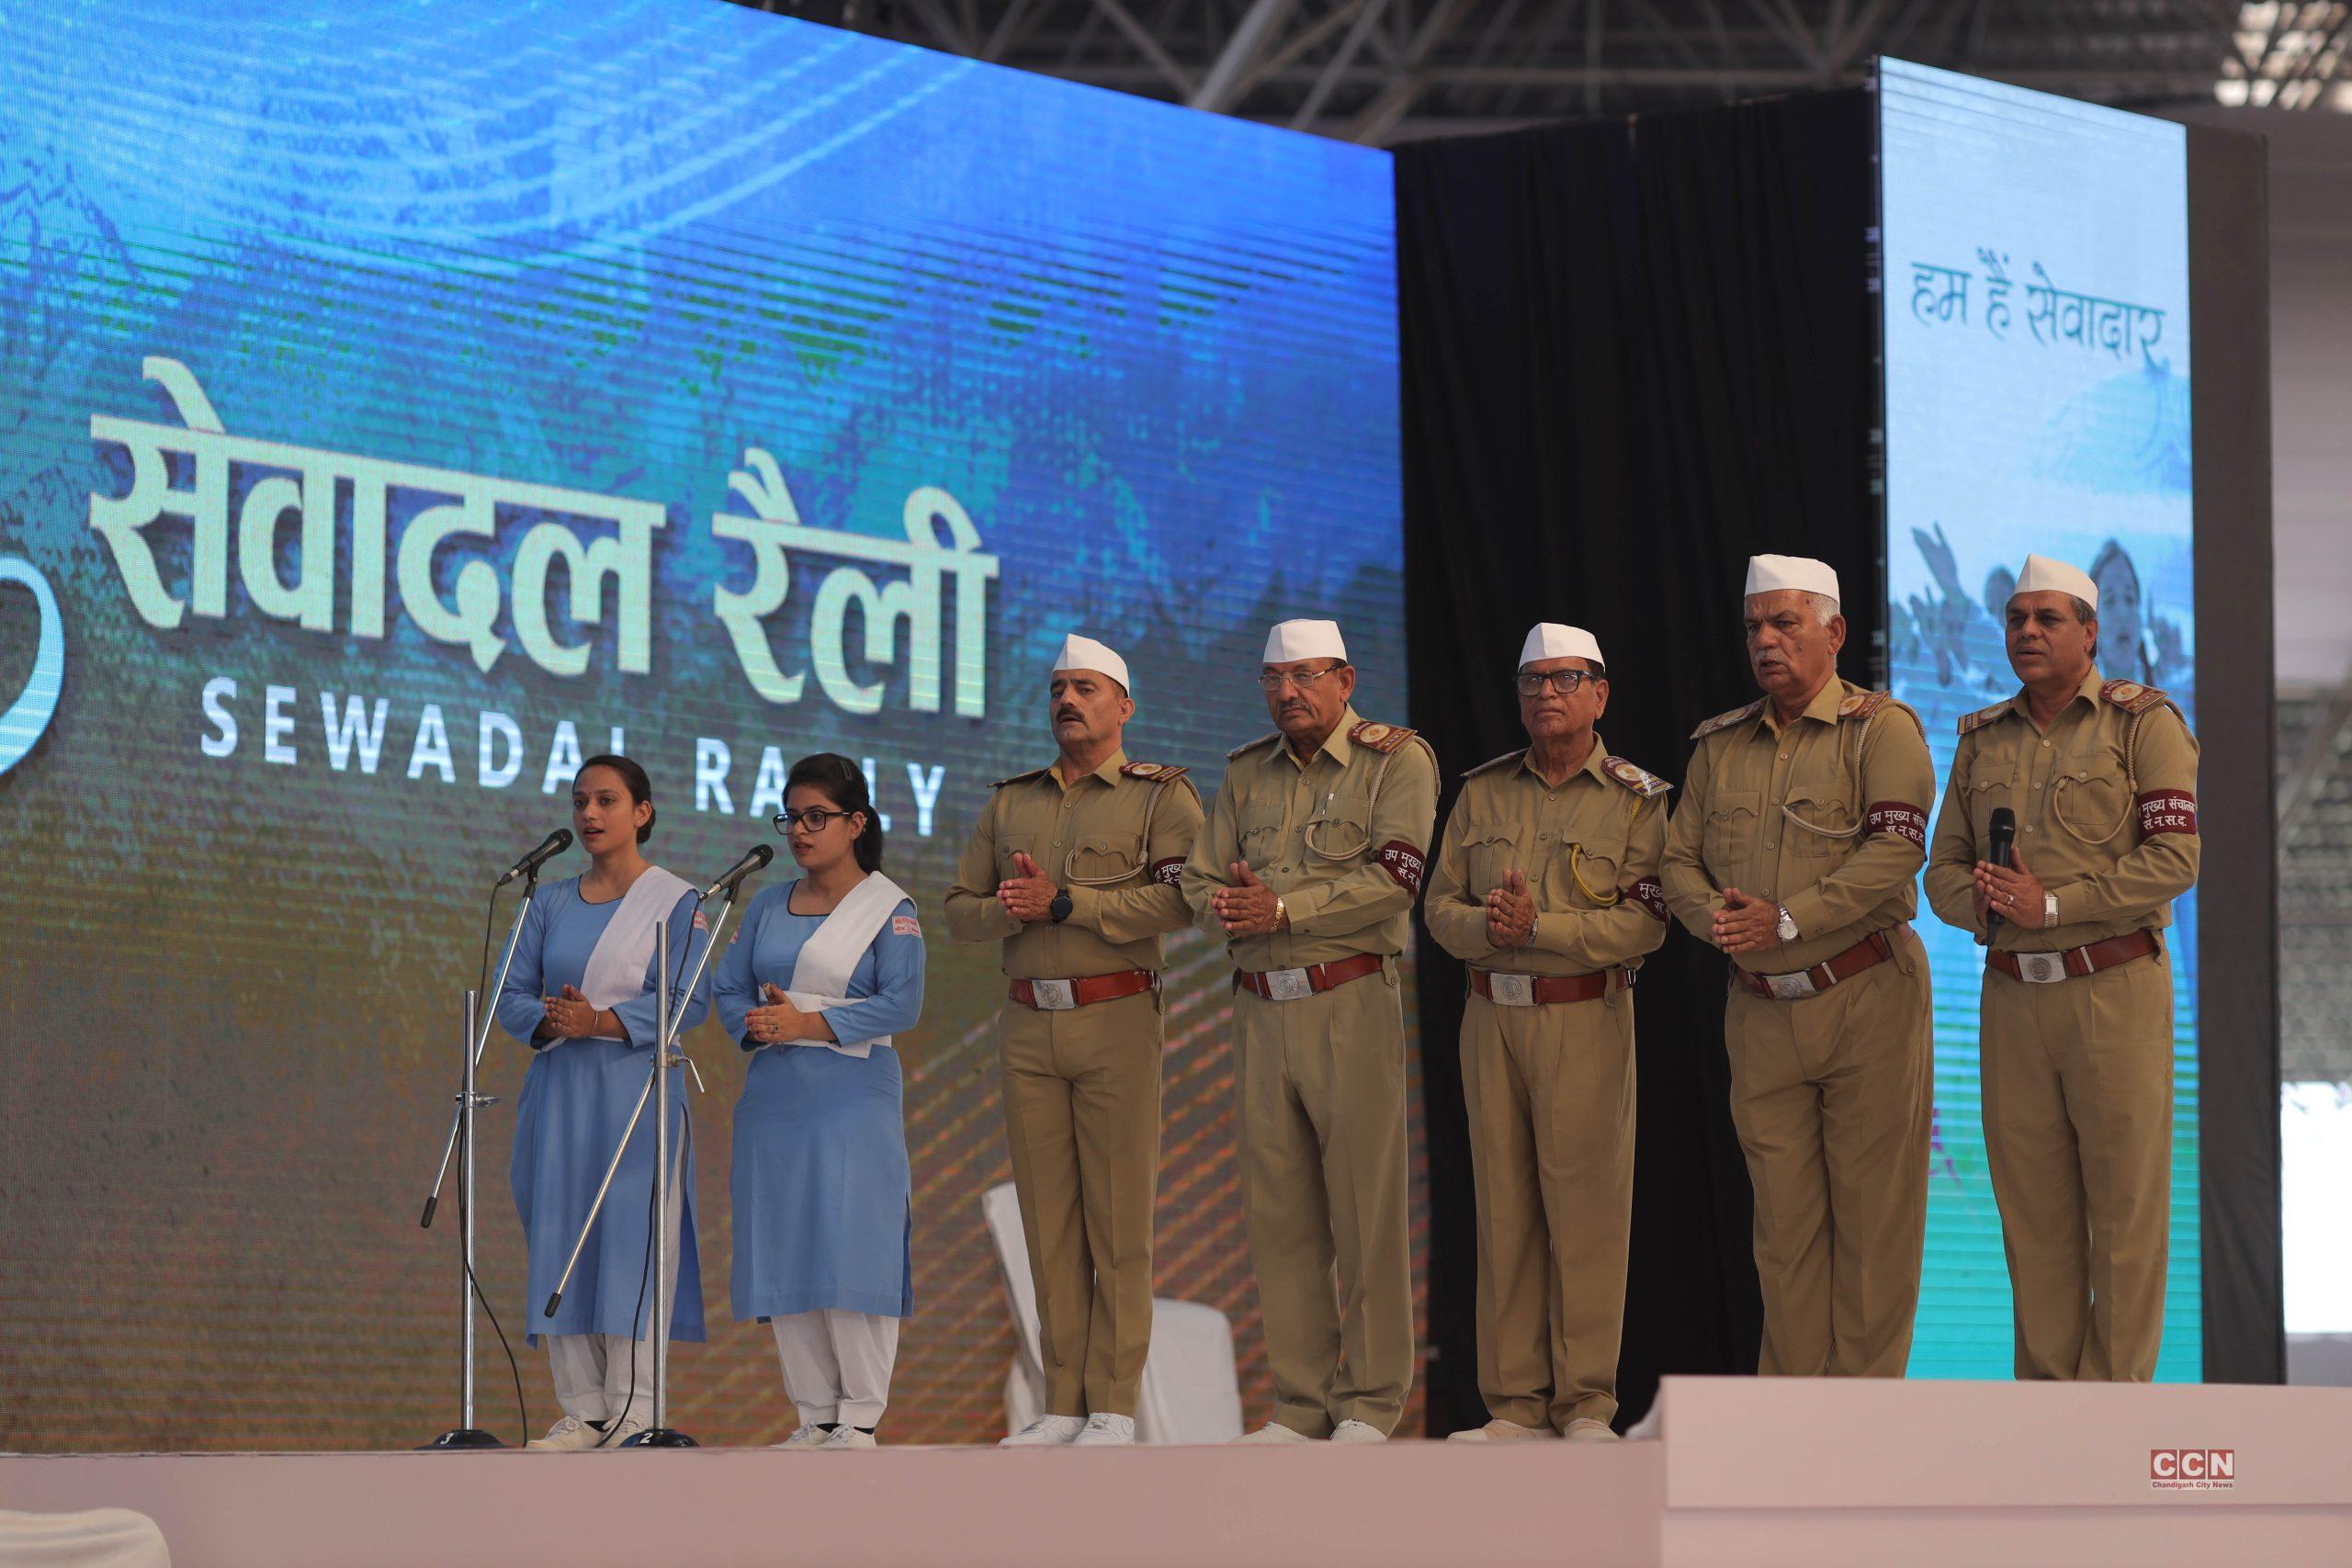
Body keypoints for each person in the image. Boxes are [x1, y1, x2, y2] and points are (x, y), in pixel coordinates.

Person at [1924, 553, 2200, 1381]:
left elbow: (2176, 860)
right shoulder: (1981, 738)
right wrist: (1987, 902)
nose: (2028, 632)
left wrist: (2052, 905)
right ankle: (2047, 1416)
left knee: (2123, 1210)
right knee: (2033, 1216)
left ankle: (2114, 1414)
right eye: (2016, 619)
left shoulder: (2142, 723)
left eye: (2048, 619)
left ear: (2092, 630)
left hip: (2113, 987)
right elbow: (1940, 871)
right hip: (2014, 1000)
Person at [1660, 555, 1937, 1379]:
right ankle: (1790, 1427)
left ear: (1835, 631)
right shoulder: (1720, 744)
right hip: (1761, 1008)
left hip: (1865, 995)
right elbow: (1676, 860)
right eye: (1755, 627)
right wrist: (1723, 922)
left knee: (1872, 1225)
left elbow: (1896, 851)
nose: (1767, 641)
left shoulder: (1881, 728)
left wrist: (1787, 917)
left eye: (1786, 623)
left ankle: (1862, 1423)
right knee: (1782, 1232)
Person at [1181, 618, 1437, 1444]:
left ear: (1345, 679)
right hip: (1258, 1005)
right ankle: (1299, 1403)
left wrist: (1286, 906)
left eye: (1303, 677)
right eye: (1271, 679)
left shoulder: (1397, 759)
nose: (1286, 693)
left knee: (1365, 1212)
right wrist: (1227, 903)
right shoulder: (1246, 770)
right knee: (1281, 1216)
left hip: (1349, 999)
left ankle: (1368, 1401)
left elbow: (1397, 878)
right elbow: (1198, 878)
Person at [944, 635, 1204, 1449]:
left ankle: (1113, 1405)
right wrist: (1008, 911)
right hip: (1027, 1021)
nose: (1067, 699)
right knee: (1046, 1219)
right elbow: (958, 906)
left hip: (1116, 1015)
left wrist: (1067, 906)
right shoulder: (1011, 800)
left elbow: (1181, 901)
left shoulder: (1161, 797)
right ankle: (1062, 1402)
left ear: (1123, 706)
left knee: (1117, 1220)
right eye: (1058, 687)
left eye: (1085, 687)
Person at [1424, 624, 1670, 1443]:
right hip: (1491, 1014)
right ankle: (1515, 1406)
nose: (1545, 695)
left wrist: (1542, 928)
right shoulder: (1482, 791)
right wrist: (1491, 931)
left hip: (1584, 1014)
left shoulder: (1637, 797)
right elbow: (1438, 908)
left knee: (1587, 1215)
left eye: (1564, 680)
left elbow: (1645, 925)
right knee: (1504, 1210)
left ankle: (1587, 1403)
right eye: (1531, 681)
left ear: (1601, 693)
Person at [497, 755, 711, 1450]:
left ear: (642, 812)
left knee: (631, 1238)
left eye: (607, 801)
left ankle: (634, 1407)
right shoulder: (548, 900)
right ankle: (583, 1407)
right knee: (561, 1234)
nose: (590, 814)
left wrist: (603, 1021)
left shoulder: (677, 902)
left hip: (634, 1092)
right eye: (581, 800)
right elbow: (510, 993)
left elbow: (691, 998)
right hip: (559, 1093)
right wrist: (555, 1020)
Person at [718, 753, 924, 1450]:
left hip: (852, 1099)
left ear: (856, 822)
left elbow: (903, 1002)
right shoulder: (769, 902)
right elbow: (726, 990)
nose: (800, 831)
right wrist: (756, 1022)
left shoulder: (890, 908)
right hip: (775, 1095)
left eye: (816, 817)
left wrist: (807, 1023)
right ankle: (813, 1415)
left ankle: (859, 1416)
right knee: (785, 1244)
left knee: (851, 1244)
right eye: (791, 817)